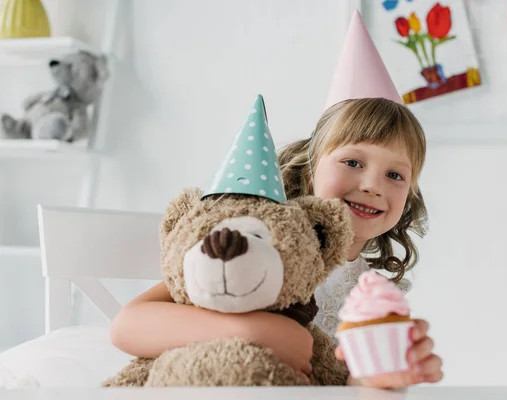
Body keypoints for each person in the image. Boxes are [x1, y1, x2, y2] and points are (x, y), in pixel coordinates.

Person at [110, 10, 443, 389]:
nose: (372, 184)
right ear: (310, 166)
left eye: (395, 175)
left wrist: (384, 376)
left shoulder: (374, 298)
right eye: (352, 161)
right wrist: (262, 332)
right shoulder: (258, 245)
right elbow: (127, 327)